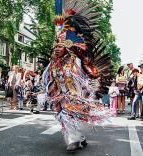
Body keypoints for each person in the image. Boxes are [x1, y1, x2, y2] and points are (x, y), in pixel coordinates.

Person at [42, 0, 113, 152]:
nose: (56, 50)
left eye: (60, 47)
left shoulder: (77, 62)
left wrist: (90, 86)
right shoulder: (53, 64)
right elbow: (48, 78)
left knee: (72, 115)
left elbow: (91, 75)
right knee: (66, 117)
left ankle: (74, 141)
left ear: (67, 47)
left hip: (77, 95)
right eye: (55, 47)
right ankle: (79, 138)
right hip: (61, 96)